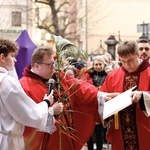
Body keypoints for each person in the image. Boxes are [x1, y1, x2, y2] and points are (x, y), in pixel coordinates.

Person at [20, 46, 118, 150]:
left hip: (65, 139)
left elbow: (79, 87)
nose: (54, 67)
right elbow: (28, 119)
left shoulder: (57, 77)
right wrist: (51, 111)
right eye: (50, 65)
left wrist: (99, 96)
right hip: (45, 143)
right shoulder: (25, 86)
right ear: (36, 66)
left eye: (54, 63)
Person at [0, 38, 63, 150]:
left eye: (53, 64)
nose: (15, 60)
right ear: (2, 58)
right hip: (7, 142)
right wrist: (48, 104)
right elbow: (30, 116)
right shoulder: (9, 83)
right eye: (12, 56)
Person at [100, 40, 150, 150]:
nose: (127, 65)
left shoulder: (149, 72)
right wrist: (106, 99)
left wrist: (143, 96)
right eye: (123, 61)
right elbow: (101, 98)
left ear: (138, 55)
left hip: (145, 130)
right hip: (120, 131)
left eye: (130, 60)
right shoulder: (113, 75)